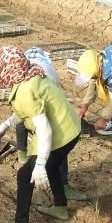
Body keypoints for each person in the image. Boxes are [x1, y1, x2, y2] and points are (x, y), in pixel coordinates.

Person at [0, 46, 82, 223]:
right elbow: (30, 109)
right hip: (71, 128)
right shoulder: (30, 73)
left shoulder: (25, 91)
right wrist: (6, 124)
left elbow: (45, 129)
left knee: (24, 176)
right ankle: (60, 207)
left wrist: (38, 164)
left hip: (59, 135)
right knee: (53, 166)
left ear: (7, 70)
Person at [13, 46, 87, 201]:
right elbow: (21, 113)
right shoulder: (20, 77)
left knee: (57, 145)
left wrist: (40, 163)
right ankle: (22, 152)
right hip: (36, 110)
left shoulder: (47, 76)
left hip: (54, 119)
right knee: (22, 123)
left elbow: (47, 123)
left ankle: (63, 184)